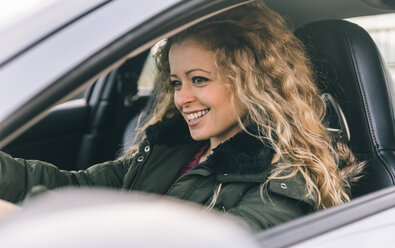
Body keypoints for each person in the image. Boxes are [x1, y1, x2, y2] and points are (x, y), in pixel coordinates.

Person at [0, 2, 363, 230]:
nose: (182, 98)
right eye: (176, 82)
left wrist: (29, 226)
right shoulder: (168, 149)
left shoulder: (288, 178)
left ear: (255, 83)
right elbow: (75, 187)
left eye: (199, 80)